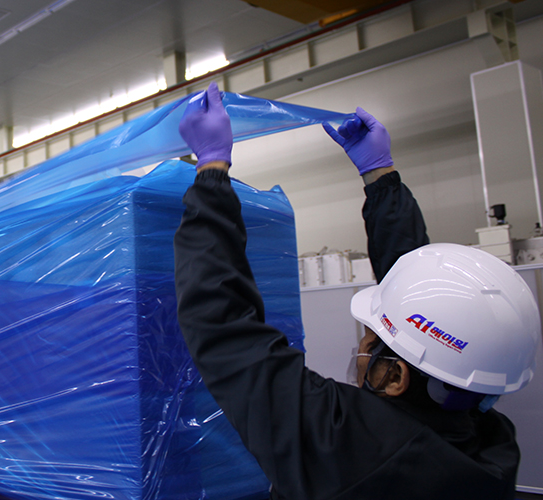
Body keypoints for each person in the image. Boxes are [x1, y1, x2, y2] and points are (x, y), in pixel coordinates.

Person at [173, 82, 542, 499]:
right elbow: (420, 298)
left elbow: (224, 330)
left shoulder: (345, 448)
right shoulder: (490, 445)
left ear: (395, 376)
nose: (361, 348)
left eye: (370, 340)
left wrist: (212, 172)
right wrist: (380, 179)